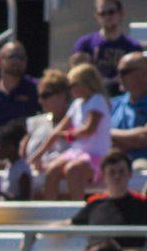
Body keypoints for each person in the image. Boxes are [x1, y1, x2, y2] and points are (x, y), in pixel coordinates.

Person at [68, 151, 147, 250]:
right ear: (104, 176)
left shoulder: (141, 203)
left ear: (130, 174)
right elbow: (69, 224)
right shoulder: (94, 203)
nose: (117, 176)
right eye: (112, 172)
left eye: (121, 171)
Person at [32, 63, 113, 201]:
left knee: (72, 170)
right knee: (51, 171)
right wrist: (38, 155)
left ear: (85, 83)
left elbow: (89, 129)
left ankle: (78, 217)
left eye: (72, 85)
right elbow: (59, 130)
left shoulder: (97, 100)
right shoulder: (77, 104)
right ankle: (51, 213)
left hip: (98, 156)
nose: (70, 89)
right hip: (78, 154)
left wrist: (68, 135)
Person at [71, 0, 143, 95]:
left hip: (121, 98)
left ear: (121, 13)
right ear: (97, 17)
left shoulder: (132, 46)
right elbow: (76, 77)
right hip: (93, 98)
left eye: (111, 12)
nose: (107, 16)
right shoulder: (84, 44)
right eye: (102, 13)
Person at [24, 69, 72, 173]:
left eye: (45, 96)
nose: (40, 101)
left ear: (62, 95)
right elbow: (24, 156)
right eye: (40, 96)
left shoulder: (77, 123)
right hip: (34, 182)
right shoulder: (34, 123)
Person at [0, 120, 31, 201]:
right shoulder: (9, 166)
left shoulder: (22, 170)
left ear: (11, 147)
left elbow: (24, 200)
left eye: (0, 145)